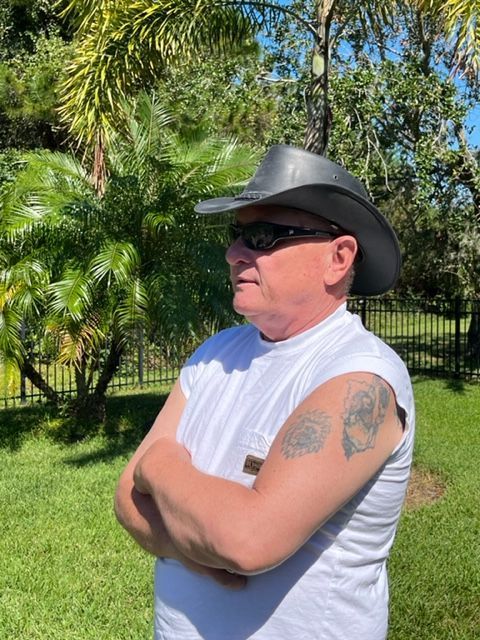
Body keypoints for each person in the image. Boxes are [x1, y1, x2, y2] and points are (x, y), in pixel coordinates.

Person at [114, 144, 415, 640]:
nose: (234, 254)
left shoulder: (364, 377)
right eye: (235, 236)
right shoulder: (213, 354)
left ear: (338, 258)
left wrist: (159, 465)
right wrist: (198, 546)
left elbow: (249, 540)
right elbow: (128, 502)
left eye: (261, 237)